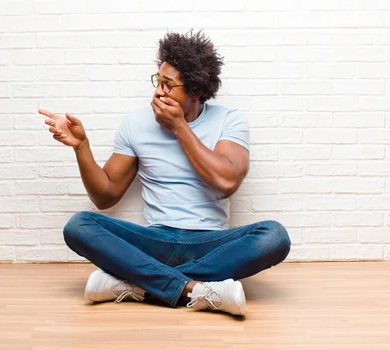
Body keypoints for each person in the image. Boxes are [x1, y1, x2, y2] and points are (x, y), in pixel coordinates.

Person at [38, 30, 290, 317]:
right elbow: (105, 196)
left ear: (194, 90)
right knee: (78, 225)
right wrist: (81, 146)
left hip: (209, 245)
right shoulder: (136, 123)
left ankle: (140, 283)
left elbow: (226, 181)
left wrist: (179, 127)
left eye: (169, 85)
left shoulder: (228, 120)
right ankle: (195, 290)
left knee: (274, 236)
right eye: (158, 81)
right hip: (154, 241)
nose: (159, 91)